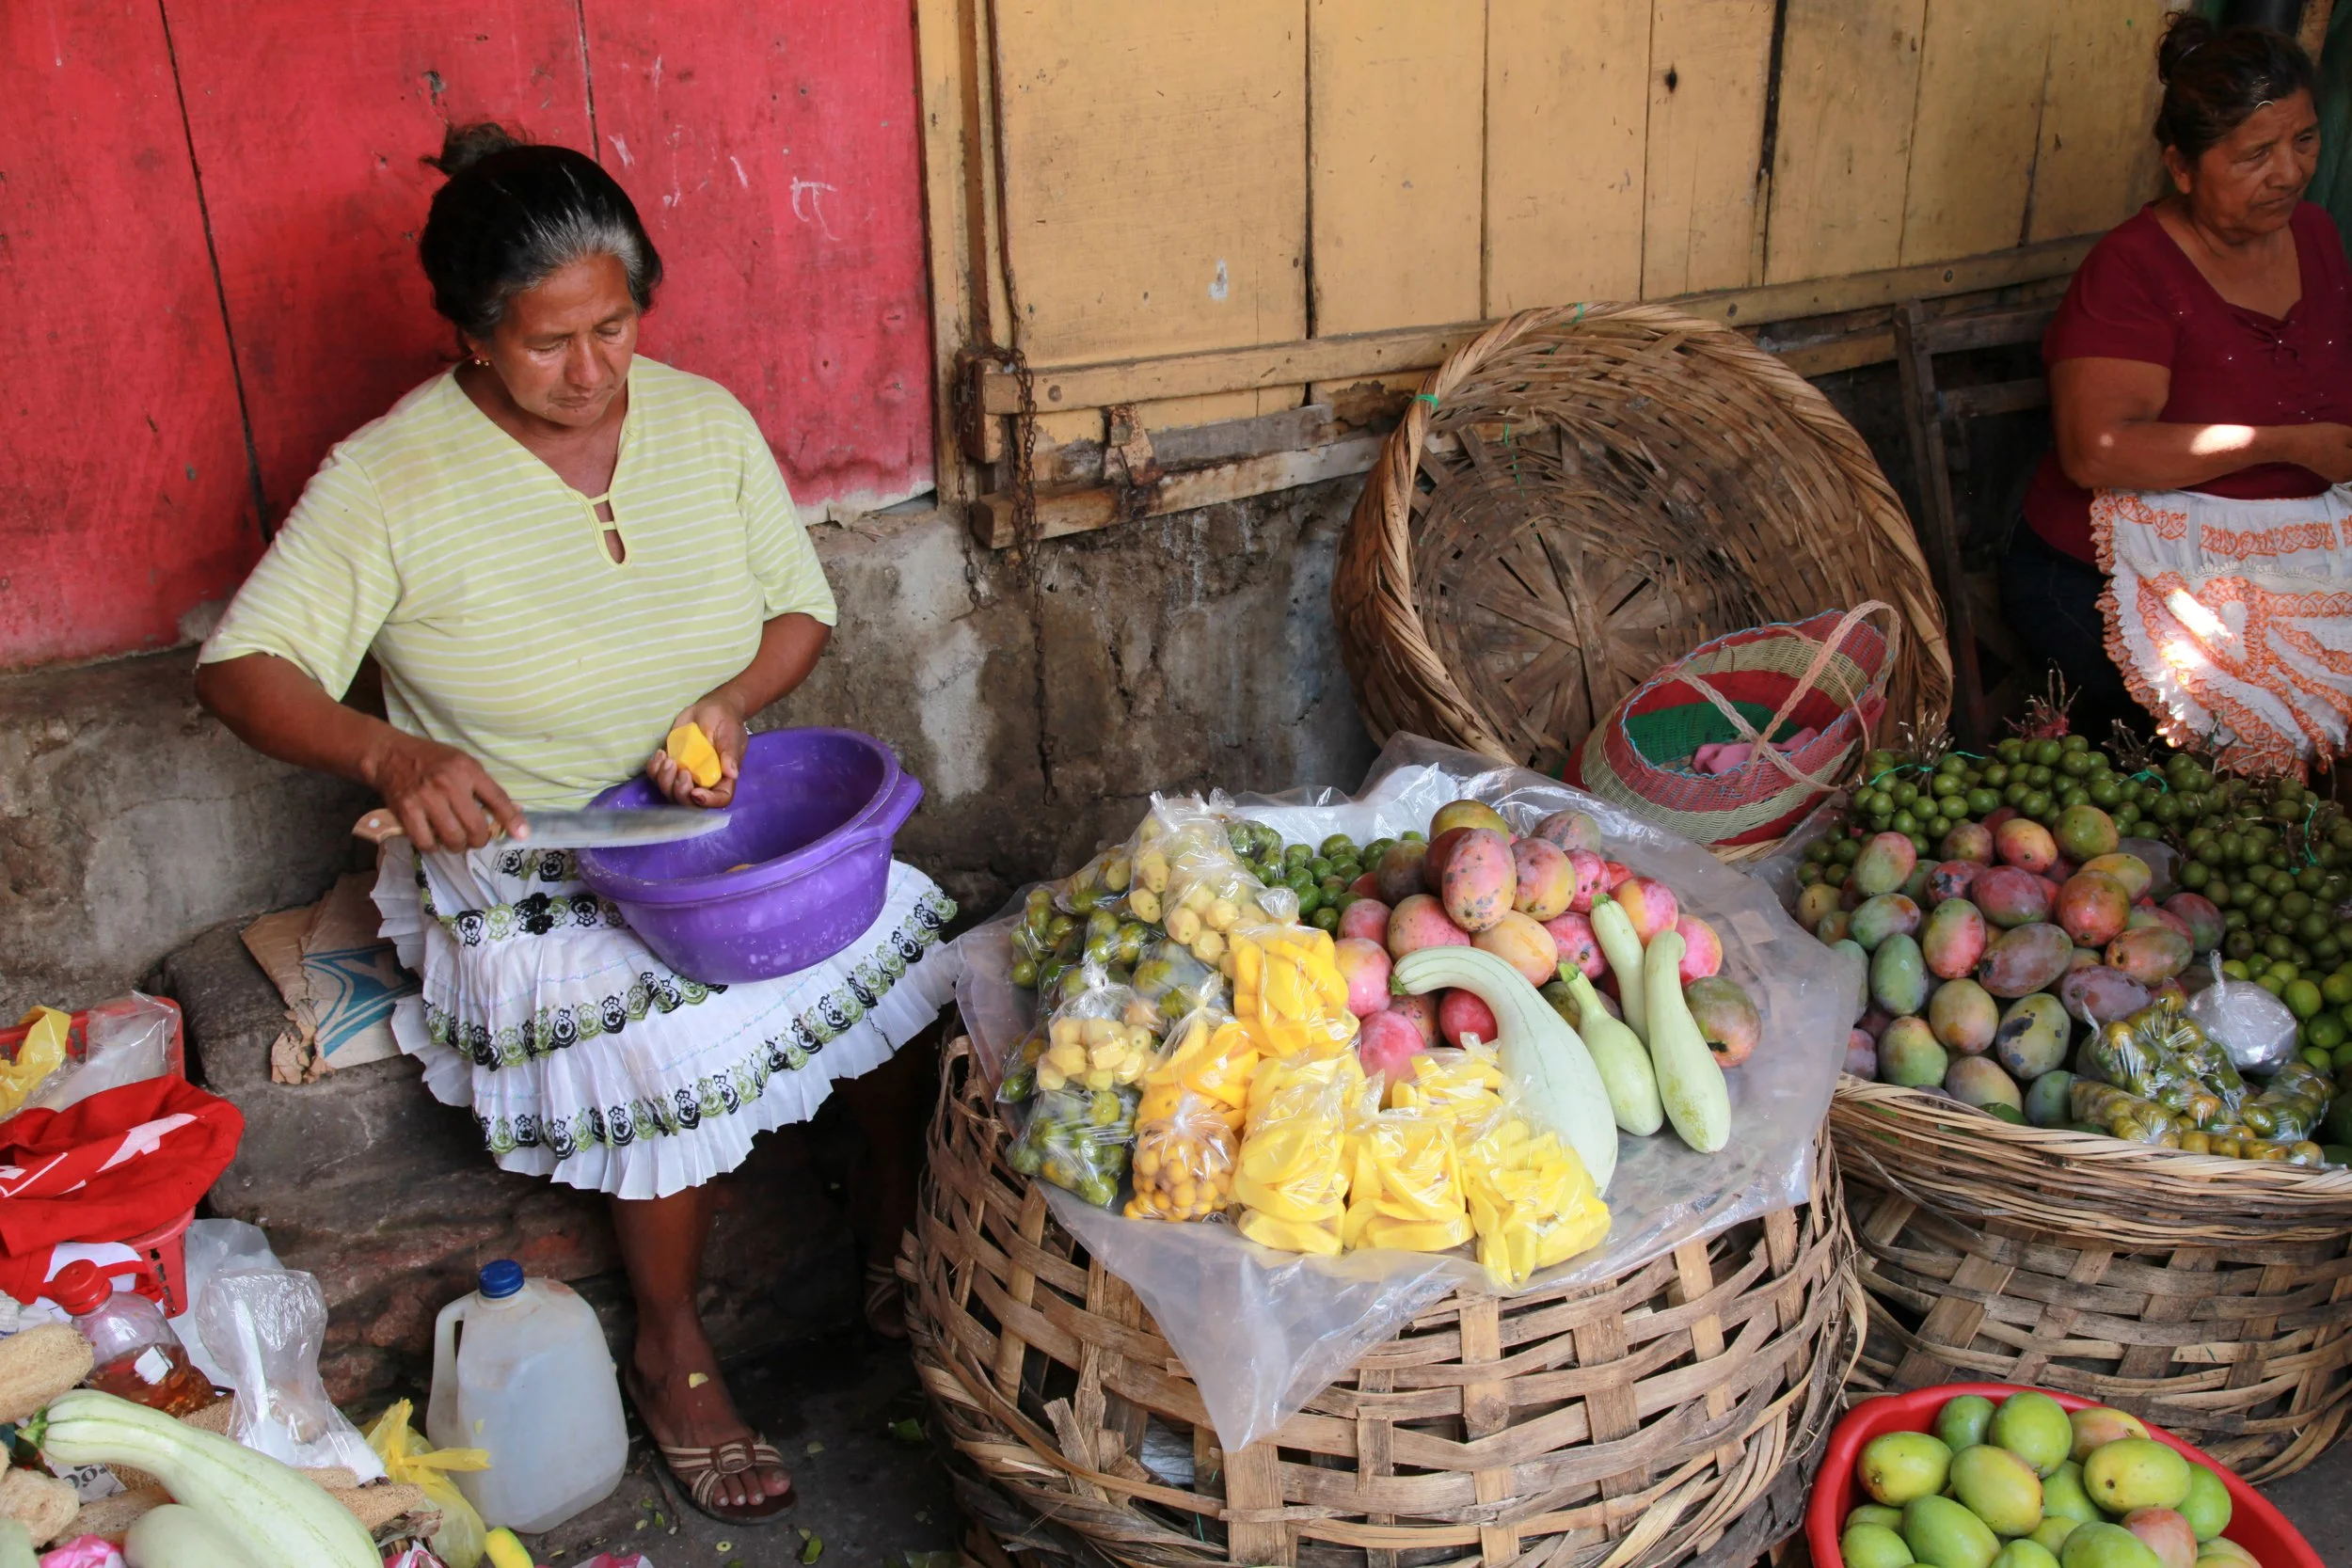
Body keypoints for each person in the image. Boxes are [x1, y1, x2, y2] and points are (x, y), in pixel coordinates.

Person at [193, 124, 961, 1524]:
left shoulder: (703, 419)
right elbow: (239, 671)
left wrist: (730, 704)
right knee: (656, 1040)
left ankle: (889, 1223)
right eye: (550, 342)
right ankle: (673, 1352)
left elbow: (802, 609)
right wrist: (389, 745)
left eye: (616, 325)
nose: (594, 368)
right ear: (473, 336)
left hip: (699, 831)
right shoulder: (388, 476)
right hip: (532, 857)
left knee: (911, 942)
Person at [2010, 14, 2352, 756]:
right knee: (2249, 714)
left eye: (2304, 140)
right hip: (2111, 574)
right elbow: (2098, 454)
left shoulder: (2318, 236)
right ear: (2182, 165)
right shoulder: (2133, 270)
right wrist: (2292, 447)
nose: (2289, 172)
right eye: (2255, 154)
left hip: (2285, 559)